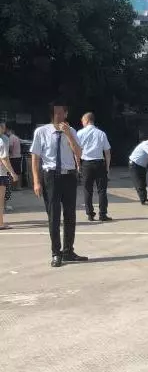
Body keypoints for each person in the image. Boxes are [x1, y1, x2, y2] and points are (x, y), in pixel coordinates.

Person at [30, 101, 88, 267]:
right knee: (54, 216)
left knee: (70, 215)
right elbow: (35, 158)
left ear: (66, 114)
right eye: (55, 113)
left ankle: (68, 251)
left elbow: (79, 153)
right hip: (51, 177)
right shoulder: (41, 132)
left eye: (61, 113)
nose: (58, 116)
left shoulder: (72, 131)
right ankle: (56, 253)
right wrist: (36, 181)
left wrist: (68, 135)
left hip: (69, 176)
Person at [77, 112, 112, 222]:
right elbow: (107, 152)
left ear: (87, 120)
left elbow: (76, 151)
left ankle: (90, 214)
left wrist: (78, 164)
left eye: (82, 121)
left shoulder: (80, 133)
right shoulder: (101, 133)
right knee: (102, 190)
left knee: (87, 190)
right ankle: (103, 214)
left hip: (86, 164)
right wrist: (107, 167)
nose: (82, 123)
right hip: (99, 164)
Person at [0, 133, 19, 230]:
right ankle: (0, 223)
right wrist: (12, 172)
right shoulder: (1, 141)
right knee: (0, 201)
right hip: (0, 174)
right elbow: (4, 158)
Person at [6, 124, 22, 190]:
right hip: (18, 156)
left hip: (13, 157)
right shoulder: (16, 137)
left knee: (12, 172)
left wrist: (7, 153)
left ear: (10, 131)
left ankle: (13, 186)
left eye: (7, 131)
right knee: (18, 172)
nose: (6, 133)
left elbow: (10, 148)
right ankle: (18, 186)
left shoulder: (11, 138)